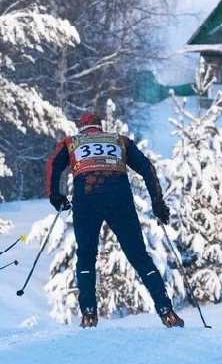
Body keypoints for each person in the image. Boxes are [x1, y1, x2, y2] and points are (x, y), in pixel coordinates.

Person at [46, 112, 184, 328]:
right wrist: (157, 201)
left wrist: (56, 195)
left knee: (86, 255)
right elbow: (148, 168)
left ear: (81, 128)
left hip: (87, 198)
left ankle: (89, 313)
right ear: (99, 127)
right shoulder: (120, 140)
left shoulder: (71, 142)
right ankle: (166, 310)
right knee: (139, 256)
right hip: (119, 198)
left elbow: (54, 165)